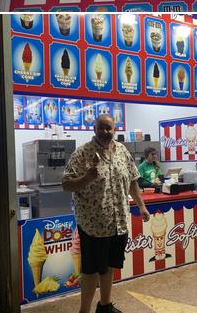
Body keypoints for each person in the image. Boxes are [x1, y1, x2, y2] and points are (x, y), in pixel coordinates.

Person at [62, 114, 150, 313]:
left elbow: (133, 181)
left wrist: (141, 206)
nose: (105, 132)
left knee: (109, 266)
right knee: (91, 271)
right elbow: (66, 184)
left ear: (114, 130)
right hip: (94, 225)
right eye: (101, 127)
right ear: (94, 129)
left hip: (118, 222)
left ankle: (104, 305)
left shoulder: (122, 151)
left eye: (109, 128)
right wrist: (86, 178)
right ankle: (84, 310)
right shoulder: (82, 153)